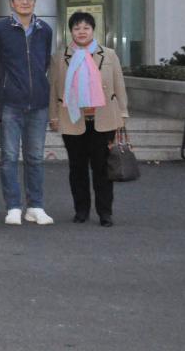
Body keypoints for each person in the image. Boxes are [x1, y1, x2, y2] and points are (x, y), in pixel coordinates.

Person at [49, 12, 129, 227]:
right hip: (72, 120)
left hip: (103, 120)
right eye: (77, 28)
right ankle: (81, 210)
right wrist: (53, 116)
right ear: (70, 32)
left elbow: (119, 85)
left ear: (93, 30)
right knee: (77, 169)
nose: (81, 32)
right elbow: (54, 89)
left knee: (102, 169)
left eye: (86, 28)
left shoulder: (109, 55)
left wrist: (123, 113)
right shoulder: (60, 57)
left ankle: (105, 213)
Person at [0, 0, 55, 226]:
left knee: (35, 157)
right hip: (9, 103)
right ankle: (13, 206)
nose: (24, 2)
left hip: (38, 103)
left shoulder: (44, 30)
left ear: (34, 1)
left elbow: (44, 63)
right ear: (11, 3)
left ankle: (35, 206)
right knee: (9, 156)